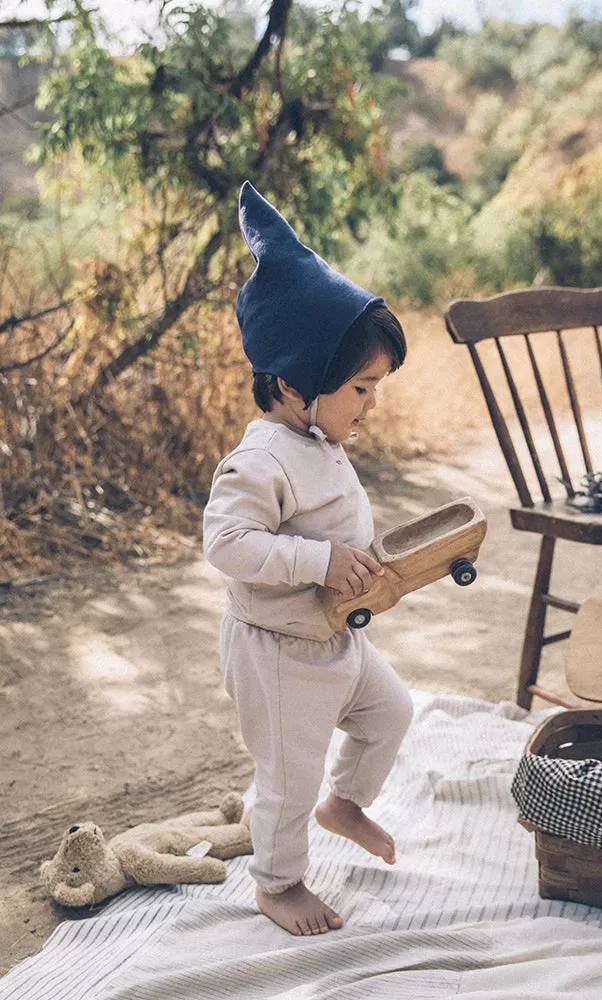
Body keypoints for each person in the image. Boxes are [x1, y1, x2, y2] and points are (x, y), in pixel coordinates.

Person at [203, 182, 413, 936]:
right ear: (293, 383)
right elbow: (226, 543)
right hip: (280, 653)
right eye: (361, 387)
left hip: (336, 638)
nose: (371, 404)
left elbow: (336, 524)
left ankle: (346, 802)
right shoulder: (260, 457)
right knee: (286, 779)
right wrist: (319, 563)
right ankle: (277, 882)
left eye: (375, 387)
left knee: (391, 713)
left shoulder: (319, 439)